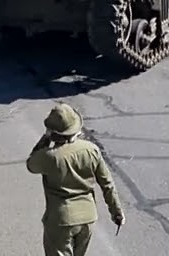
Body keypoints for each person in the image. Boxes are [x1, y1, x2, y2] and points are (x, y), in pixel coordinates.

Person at [25, 103, 124, 256]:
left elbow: (31, 164)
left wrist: (45, 138)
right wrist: (116, 212)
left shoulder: (50, 157)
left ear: (54, 133)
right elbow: (107, 184)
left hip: (61, 220)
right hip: (87, 218)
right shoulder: (91, 150)